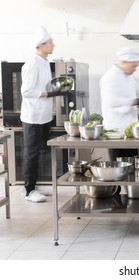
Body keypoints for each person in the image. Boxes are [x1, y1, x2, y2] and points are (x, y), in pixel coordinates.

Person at [21, 26, 71, 202]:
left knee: (42, 150)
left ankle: (34, 185)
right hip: (33, 116)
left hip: (44, 116)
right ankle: (28, 190)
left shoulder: (43, 63)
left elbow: (44, 86)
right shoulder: (32, 63)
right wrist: (51, 94)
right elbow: (27, 91)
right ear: (41, 45)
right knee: (31, 153)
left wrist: (59, 88)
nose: (53, 45)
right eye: (50, 43)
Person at [99, 47, 139, 161]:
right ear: (124, 61)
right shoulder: (110, 77)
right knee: (119, 166)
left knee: (132, 163)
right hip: (116, 132)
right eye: (134, 66)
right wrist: (137, 101)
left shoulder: (128, 76)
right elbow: (112, 102)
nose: (135, 69)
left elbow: (136, 89)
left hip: (129, 130)